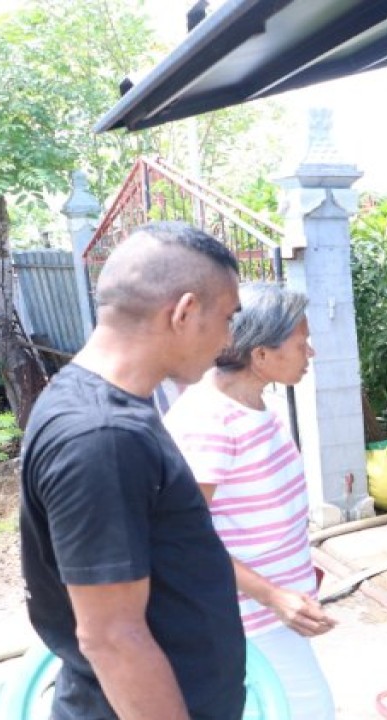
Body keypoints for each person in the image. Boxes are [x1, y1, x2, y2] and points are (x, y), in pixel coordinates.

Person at [20, 221, 247, 720]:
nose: (229, 340)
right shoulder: (101, 437)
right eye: (229, 318)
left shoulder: (106, 405)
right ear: (185, 312)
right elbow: (111, 638)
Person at [163, 282, 337, 719]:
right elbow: (184, 541)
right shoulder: (208, 422)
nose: (310, 353)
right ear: (260, 355)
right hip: (246, 616)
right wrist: (273, 595)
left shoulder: (253, 404)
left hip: (272, 609)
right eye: (301, 343)